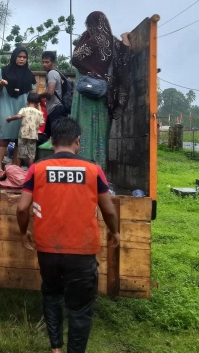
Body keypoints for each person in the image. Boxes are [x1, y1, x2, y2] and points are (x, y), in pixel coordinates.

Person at [15, 118, 121, 353]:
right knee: (80, 307)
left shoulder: (36, 168)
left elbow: (22, 208)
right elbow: (109, 209)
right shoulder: (93, 170)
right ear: (77, 141)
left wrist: (24, 232)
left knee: (51, 294)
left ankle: (55, 348)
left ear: (51, 141)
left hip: (47, 248)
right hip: (82, 251)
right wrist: (115, 231)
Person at [70, 11, 131, 169]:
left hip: (86, 94)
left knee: (83, 129)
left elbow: (76, 57)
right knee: (101, 133)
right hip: (104, 94)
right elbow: (124, 56)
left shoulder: (93, 38)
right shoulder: (113, 41)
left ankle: (83, 167)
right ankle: (99, 170)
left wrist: (91, 73)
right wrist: (125, 37)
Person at [0, 46, 36, 174]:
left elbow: (33, 92)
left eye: (24, 57)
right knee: (4, 137)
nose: (22, 59)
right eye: (19, 57)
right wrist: (0, 85)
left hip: (23, 108)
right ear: (14, 57)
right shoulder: (4, 71)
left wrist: (34, 106)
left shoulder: (29, 74)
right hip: (7, 106)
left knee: (19, 139)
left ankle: (14, 167)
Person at [5, 92, 44, 168]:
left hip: (23, 135)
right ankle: (30, 171)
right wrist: (39, 109)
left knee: (20, 154)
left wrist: (10, 119)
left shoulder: (24, 109)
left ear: (27, 102)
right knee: (31, 155)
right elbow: (41, 124)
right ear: (38, 103)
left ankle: (18, 169)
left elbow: (18, 116)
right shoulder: (39, 113)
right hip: (33, 136)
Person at [40, 51, 73, 137]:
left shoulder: (52, 73)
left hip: (55, 108)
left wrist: (38, 96)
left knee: (57, 136)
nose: (44, 64)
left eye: (47, 62)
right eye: (43, 62)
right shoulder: (55, 73)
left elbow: (50, 92)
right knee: (56, 135)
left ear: (53, 63)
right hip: (56, 108)